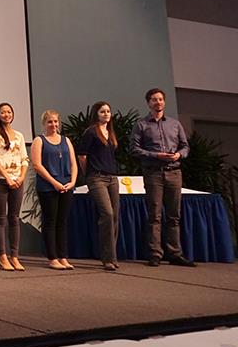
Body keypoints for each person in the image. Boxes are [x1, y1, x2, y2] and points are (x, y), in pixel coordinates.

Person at [130, 88, 194, 267]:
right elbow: (134, 149)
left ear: (164, 102)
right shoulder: (141, 125)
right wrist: (155, 155)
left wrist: (179, 155)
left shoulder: (175, 124)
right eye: (154, 100)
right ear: (148, 103)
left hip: (174, 172)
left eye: (160, 99)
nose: (158, 102)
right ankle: (155, 253)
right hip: (153, 173)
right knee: (155, 215)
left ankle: (175, 253)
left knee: (174, 215)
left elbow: (185, 146)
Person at [31, 110, 78, 270]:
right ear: (44, 123)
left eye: (56, 122)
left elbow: (73, 163)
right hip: (48, 188)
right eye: (50, 122)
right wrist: (54, 182)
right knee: (50, 221)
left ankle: (63, 256)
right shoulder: (39, 140)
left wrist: (72, 181)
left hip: (66, 185)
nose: (53, 125)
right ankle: (52, 257)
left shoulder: (66, 140)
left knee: (62, 222)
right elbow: (37, 165)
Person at [78, 101, 121, 271]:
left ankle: (112, 256)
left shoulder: (110, 132)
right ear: (96, 113)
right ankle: (107, 257)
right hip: (97, 177)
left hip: (112, 177)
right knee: (107, 213)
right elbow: (82, 156)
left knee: (115, 216)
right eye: (102, 111)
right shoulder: (91, 132)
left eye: (108, 111)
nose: (106, 114)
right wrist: (88, 174)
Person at [0, 102, 28, 272]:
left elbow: (24, 158)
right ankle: (2, 256)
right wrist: (7, 177)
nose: (6, 115)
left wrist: (21, 177)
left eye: (9, 112)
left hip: (18, 181)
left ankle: (14, 256)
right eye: (3, 112)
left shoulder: (19, 135)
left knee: (14, 218)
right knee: (1, 219)